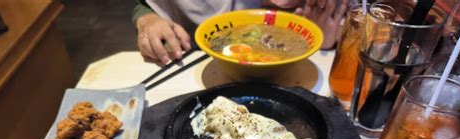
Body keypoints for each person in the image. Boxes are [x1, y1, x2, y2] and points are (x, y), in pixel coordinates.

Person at [133, 0, 348, 66]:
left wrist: (339, 38)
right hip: (202, 67)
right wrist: (147, 19)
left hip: (312, 74)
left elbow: (370, 29)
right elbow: (144, 4)